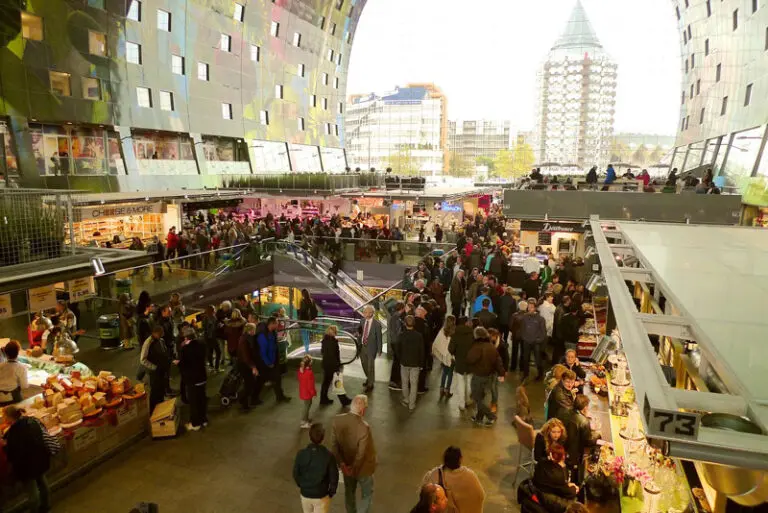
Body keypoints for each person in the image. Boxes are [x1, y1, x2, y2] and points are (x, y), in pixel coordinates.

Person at [331, 395, 376, 513]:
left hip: (346, 465)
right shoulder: (364, 427)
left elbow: (334, 446)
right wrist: (353, 468)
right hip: (364, 468)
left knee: (349, 493)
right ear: (363, 410)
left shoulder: (337, 420)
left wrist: (342, 465)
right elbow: (361, 453)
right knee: (367, 494)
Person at [3, 405, 51, 513]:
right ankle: (46, 505)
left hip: (27, 466)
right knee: (43, 483)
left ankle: (35, 510)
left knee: (32, 492)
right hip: (40, 459)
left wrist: (5, 445)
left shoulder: (14, 432)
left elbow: (13, 452)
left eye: (5, 416)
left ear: (9, 417)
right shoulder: (32, 421)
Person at [421, 446, 485, 513]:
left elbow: (424, 496)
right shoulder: (470, 476)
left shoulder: (434, 475)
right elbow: (480, 496)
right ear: (460, 459)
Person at [293, 423, 339, 513]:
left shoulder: (301, 454)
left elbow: (295, 473)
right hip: (321, 495)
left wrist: (302, 485)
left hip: (305, 494)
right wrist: (331, 492)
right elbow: (334, 477)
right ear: (323, 437)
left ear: (310, 436)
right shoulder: (328, 456)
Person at [466, 327, 505, 427]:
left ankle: (491, 416)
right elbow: (498, 361)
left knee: (476, 398)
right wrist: (502, 373)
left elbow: (470, 359)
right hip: (489, 376)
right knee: (481, 398)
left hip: (478, 376)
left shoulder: (477, 346)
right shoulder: (491, 346)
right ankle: (479, 418)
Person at [253, 316, 291, 404]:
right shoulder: (262, 336)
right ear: (272, 324)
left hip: (273, 362)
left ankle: (280, 397)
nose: (278, 324)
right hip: (265, 363)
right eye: (277, 323)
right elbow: (263, 352)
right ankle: (254, 398)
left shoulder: (272, 332)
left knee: (277, 379)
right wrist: (268, 363)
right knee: (260, 381)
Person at [178, 326, 208, 431]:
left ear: (186, 337)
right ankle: (204, 419)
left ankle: (195, 423)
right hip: (202, 376)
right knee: (202, 398)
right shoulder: (202, 344)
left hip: (192, 378)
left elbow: (183, 364)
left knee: (194, 401)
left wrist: (179, 362)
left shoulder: (185, 349)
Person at [533, 443, 578, 512]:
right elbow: (569, 493)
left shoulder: (541, 463)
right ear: (563, 456)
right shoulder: (558, 474)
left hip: (538, 493)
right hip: (549, 499)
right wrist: (574, 488)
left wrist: (566, 485)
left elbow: (557, 486)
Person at [565, 394, 600, 477]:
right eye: (587, 406)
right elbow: (588, 441)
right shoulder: (584, 421)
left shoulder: (568, 411)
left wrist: (585, 416)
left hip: (565, 444)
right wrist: (598, 435)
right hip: (574, 454)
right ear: (585, 408)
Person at [140, 325, 172, 413]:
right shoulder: (148, 342)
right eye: (160, 334)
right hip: (154, 372)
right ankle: (153, 412)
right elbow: (143, 359)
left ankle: (160, 409)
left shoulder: (161, 340)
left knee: (161, 390)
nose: (162, 335)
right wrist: (154, 367)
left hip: (162, 370)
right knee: (155, 392)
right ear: (154, 333)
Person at [320, 326, 351, 407]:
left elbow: (323, 352)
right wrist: (337, 366)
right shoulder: (333, 342)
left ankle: (323, 399)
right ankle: (344, 401)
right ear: (333, 332)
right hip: (332, 365)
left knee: (326, 383)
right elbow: (334, 355)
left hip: (326, 364)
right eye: (335, 332)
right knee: (337, 382)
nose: (336, 333)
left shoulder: (324, 340)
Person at [399, 315, 425, 412]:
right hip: (415, 364)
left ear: (405, 324)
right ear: (414, 323)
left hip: (404, 362)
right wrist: (421, 364)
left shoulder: (402, 335)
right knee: (414, 384)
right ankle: (412, 404)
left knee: (405, 382)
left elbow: (398, 349)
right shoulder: (419, 336)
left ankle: (406, 399)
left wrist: (400, 358)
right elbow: (421, 351)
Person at [448, 317, 474, 411]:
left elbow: (450, 349)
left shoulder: (455, 335)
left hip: (459, 362)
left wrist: (455, 354)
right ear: (466, 323)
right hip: (471, 362)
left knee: (460, 383)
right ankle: (468, 400)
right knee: (469, 381)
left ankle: (461, 404)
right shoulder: (472, 334)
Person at [519, 299, 547, 381]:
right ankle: (525, 375)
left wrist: (538, 340)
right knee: (525, 359)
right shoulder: (524, 317)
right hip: (526, 342)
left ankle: (540, 375)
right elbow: (522, 329)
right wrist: (524, 337)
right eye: (528, 307)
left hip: (536, 343)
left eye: (531, 307)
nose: (529, 309)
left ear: (535, 308)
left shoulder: (541, 319)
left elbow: (543, 332)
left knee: (538, 359)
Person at [237, 323, 261, 412]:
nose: (255, 332)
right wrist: (253, 367)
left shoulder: (245, 338)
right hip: (245, 365)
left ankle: (244, 402)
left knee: (250, 384)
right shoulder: (245, 340)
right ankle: (243, 402)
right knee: (249, 384)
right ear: (250, 330)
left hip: (244, 364)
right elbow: (246, 357)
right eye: (254, 330)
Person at [358, 305, 382, 392]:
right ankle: (369, 378)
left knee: (370, 366)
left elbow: (379, 338)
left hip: (372, 348)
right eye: (364, 312)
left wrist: (379, 350)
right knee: (364, 365)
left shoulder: (377, 324)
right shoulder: (362, 321)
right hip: (362, 347)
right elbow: (360, 333)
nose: (364, 313)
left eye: (365, 312)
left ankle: (370, 384)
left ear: (371, 313)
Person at [432, 315, 455, 398]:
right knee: (450, 374)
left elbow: (436, 343)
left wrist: (442, 354)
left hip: (444, 356)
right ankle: (447, 390)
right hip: (452, 357)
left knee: (444, 373)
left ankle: (441, 389)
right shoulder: (454, 332)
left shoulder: (442, 330)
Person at [387, 301, 406, 391]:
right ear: (402, 308)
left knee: (396, 361)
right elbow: (397, 332)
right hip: (396, 343)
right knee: (397, 362)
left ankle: (394, 380)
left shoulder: (394, 316)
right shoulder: (396, 317)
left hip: (394, 342)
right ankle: (394, 381)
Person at [298, 355, 317, 429]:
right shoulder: (309, 373)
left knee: (306, 405)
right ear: (309, 363)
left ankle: (306, 419)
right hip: (307, 393)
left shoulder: (301, 370)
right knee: (307, 406)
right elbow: (310, 385)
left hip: (303, 391)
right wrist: (313, 393)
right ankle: (304, 422)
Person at [299, 289, 319, 354]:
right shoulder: (312, 301)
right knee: (311, 335)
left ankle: (306, 350)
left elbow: (302, 312)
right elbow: (315, 311)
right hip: (311, 322)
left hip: (304, 322)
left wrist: (299, 321)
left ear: (303, 294)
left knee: (305, 337)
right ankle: (310, 350)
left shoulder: (302, 301)